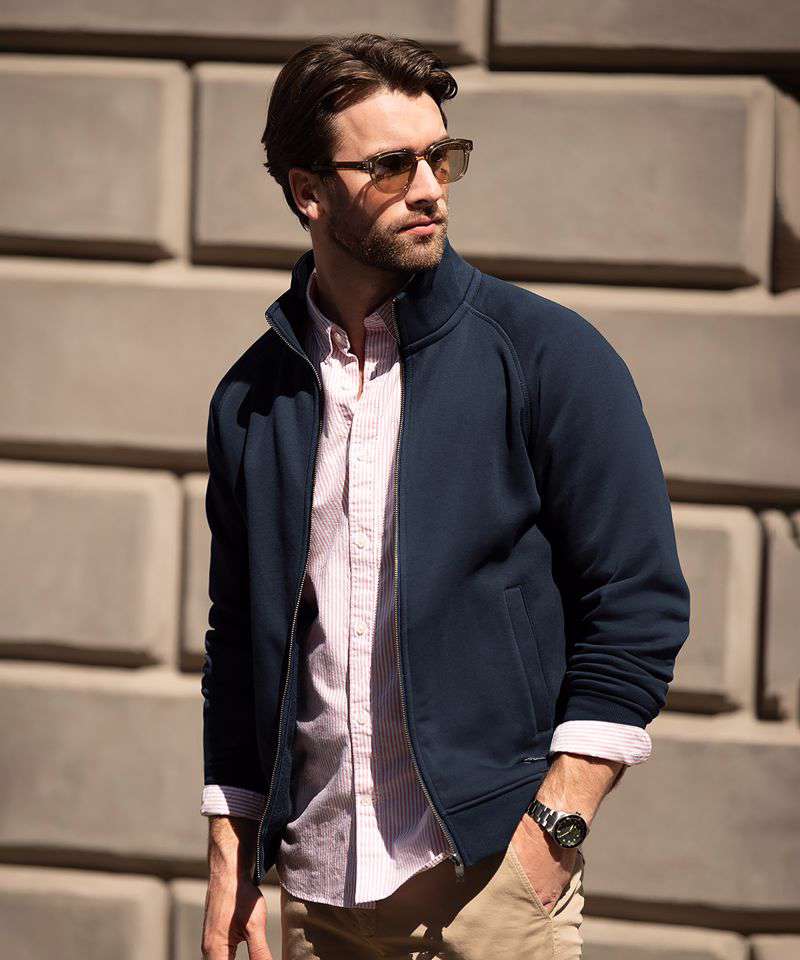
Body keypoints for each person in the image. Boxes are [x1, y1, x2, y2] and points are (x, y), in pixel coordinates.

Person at [199, 32, 690, 960]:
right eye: (390, 165)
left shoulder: (548, 355)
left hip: (488, 881)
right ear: (308, 192)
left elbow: (638, 604)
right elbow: (242, 642)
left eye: (441, 156)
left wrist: (553, 833)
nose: (429, 188)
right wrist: (232, 850)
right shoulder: (252, 399)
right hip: (317, 889)